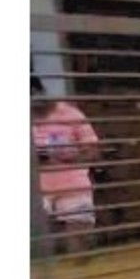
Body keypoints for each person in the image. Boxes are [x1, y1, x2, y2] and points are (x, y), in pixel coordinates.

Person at [32, 75, 100, 259]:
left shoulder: (70, 114)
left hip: (73, 185)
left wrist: (68, 157)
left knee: (80, 244)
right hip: (35, 188)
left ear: (38, 92)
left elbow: (92, 150)